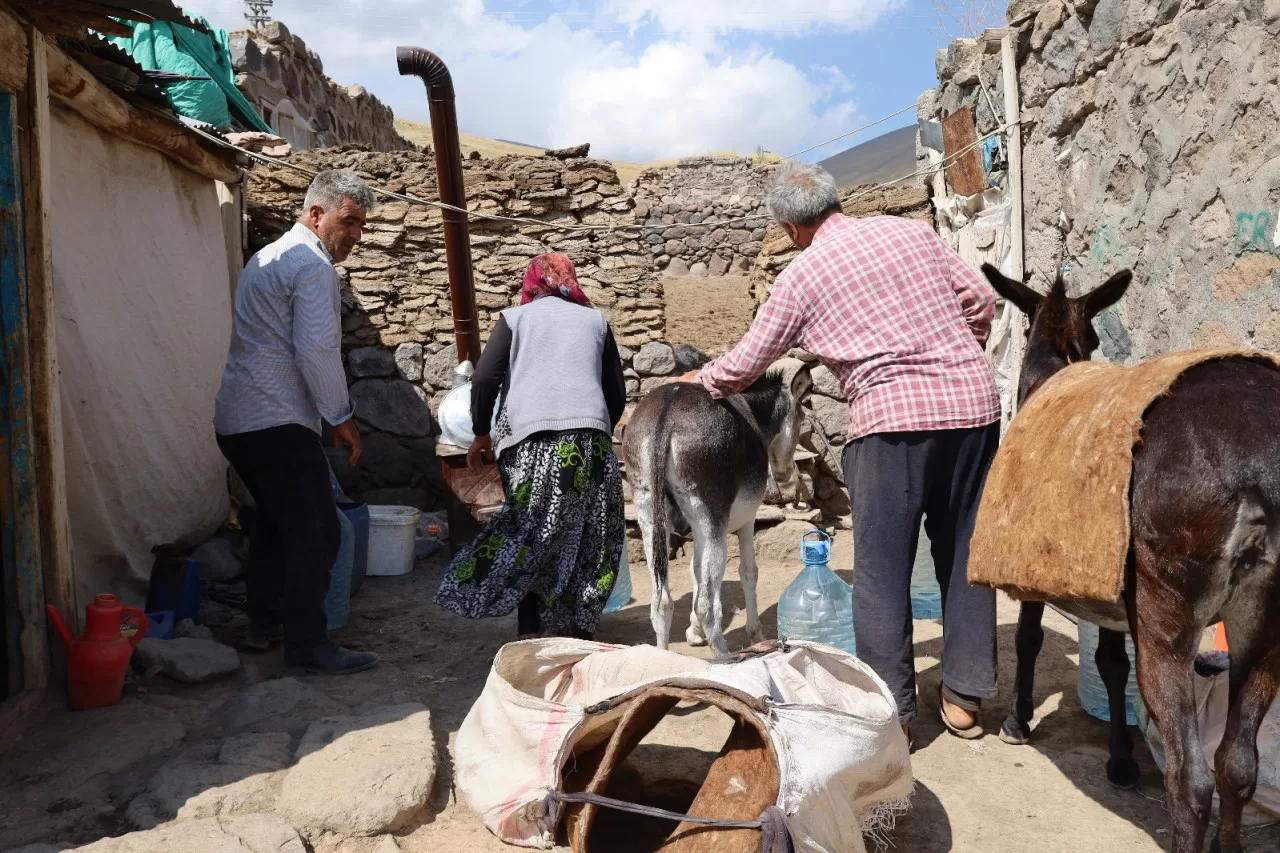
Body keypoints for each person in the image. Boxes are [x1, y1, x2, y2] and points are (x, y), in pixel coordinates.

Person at [678, 162, 1002, 744]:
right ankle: (964, 699)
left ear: (789, 228)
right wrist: (955, 358)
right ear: (835, 201)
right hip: (973, 410)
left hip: (890, 425)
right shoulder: (913, 234)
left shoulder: (801, 277)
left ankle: (896, 715)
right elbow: (980, 299)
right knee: (965, 553)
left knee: (881, 569)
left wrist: (702, 378)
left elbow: (749, 361)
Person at [214, 169, 379, 676]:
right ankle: (309, 646)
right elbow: (318, 348)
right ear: (315, 214)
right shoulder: (311, 265)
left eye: (360, 225)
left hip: (238, 420)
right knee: (318, 532)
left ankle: (264, 623)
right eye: (349, 221)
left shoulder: (265, 258)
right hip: (276, 419)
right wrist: (340, 415)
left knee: (276, 523)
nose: (356, 234)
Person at [435, 253, 628, 640]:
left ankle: (527, 628)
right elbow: (617, 392)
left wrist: (480, 432)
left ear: (532, 283)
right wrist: (596, 431)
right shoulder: (595, 320)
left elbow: (486, 378)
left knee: (531, 533)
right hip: (589, 442)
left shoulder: (515, 318)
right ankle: (576, 631)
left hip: (530, 445)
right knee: (589, 533)